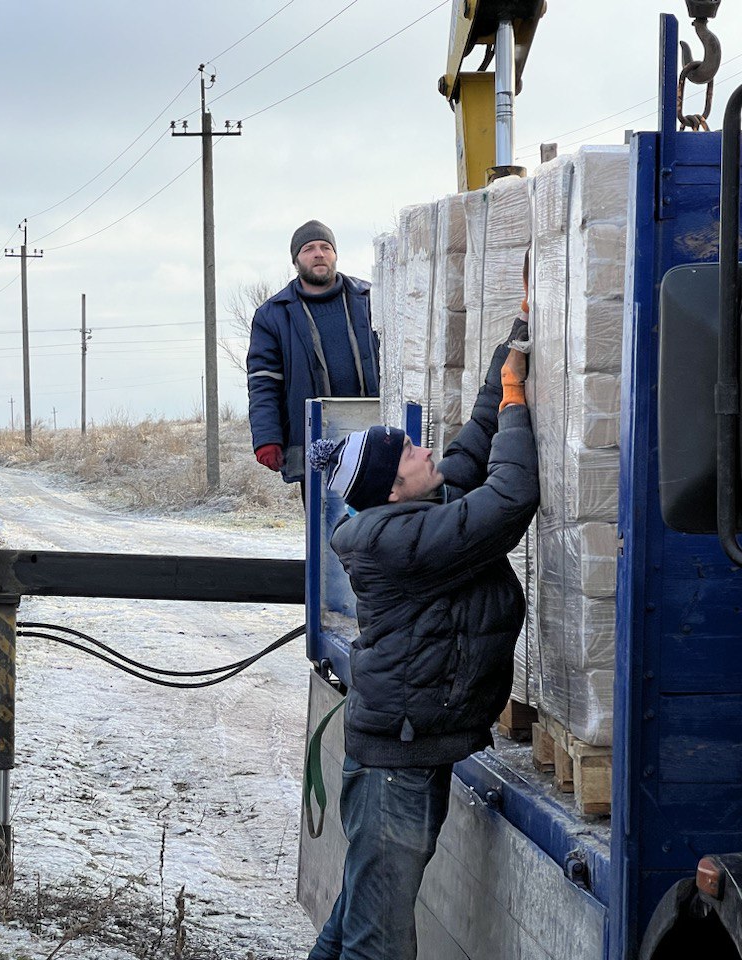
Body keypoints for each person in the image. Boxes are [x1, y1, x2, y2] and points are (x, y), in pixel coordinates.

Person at [305, 310, 537, 960]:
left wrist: (510, 350)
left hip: (404, 756)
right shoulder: (401, 542)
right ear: (392, 489)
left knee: (356, 921)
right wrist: (519, 402)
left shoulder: (410, 515)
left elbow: (470, 448)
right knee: (377, 945)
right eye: (410, 454)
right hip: (392, 772)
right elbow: (512, 497)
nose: (425, 450)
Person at [247, 219, 379, 488]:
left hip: (372, 432)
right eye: (308, 248)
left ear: (335, 255)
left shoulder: (370, 299)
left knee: (378, 520)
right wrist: (267, 437)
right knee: (324, 522)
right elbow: (263, 382)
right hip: (313, 438)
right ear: (295, 261)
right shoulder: (273, 315)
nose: (319, 253)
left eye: (325, 247)